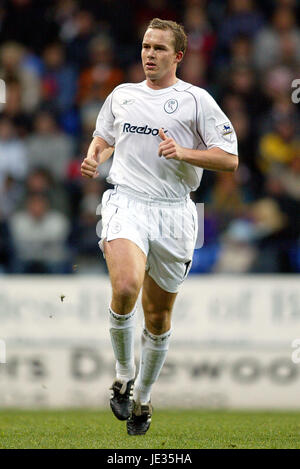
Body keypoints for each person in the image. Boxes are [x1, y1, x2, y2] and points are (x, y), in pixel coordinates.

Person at [81, 18, 238, 436]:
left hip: (178, 211)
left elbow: (229, 158)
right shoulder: (122, 95)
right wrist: (96, 154)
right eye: (146, 47)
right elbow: (104, 136)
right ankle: (121, 374)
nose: (149, 54)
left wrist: (184, 152)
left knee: (157, 316)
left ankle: (144, 400)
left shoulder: (197, 100)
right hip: (126, 200)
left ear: (178, 56)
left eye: (159, 49)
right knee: (126, 286)